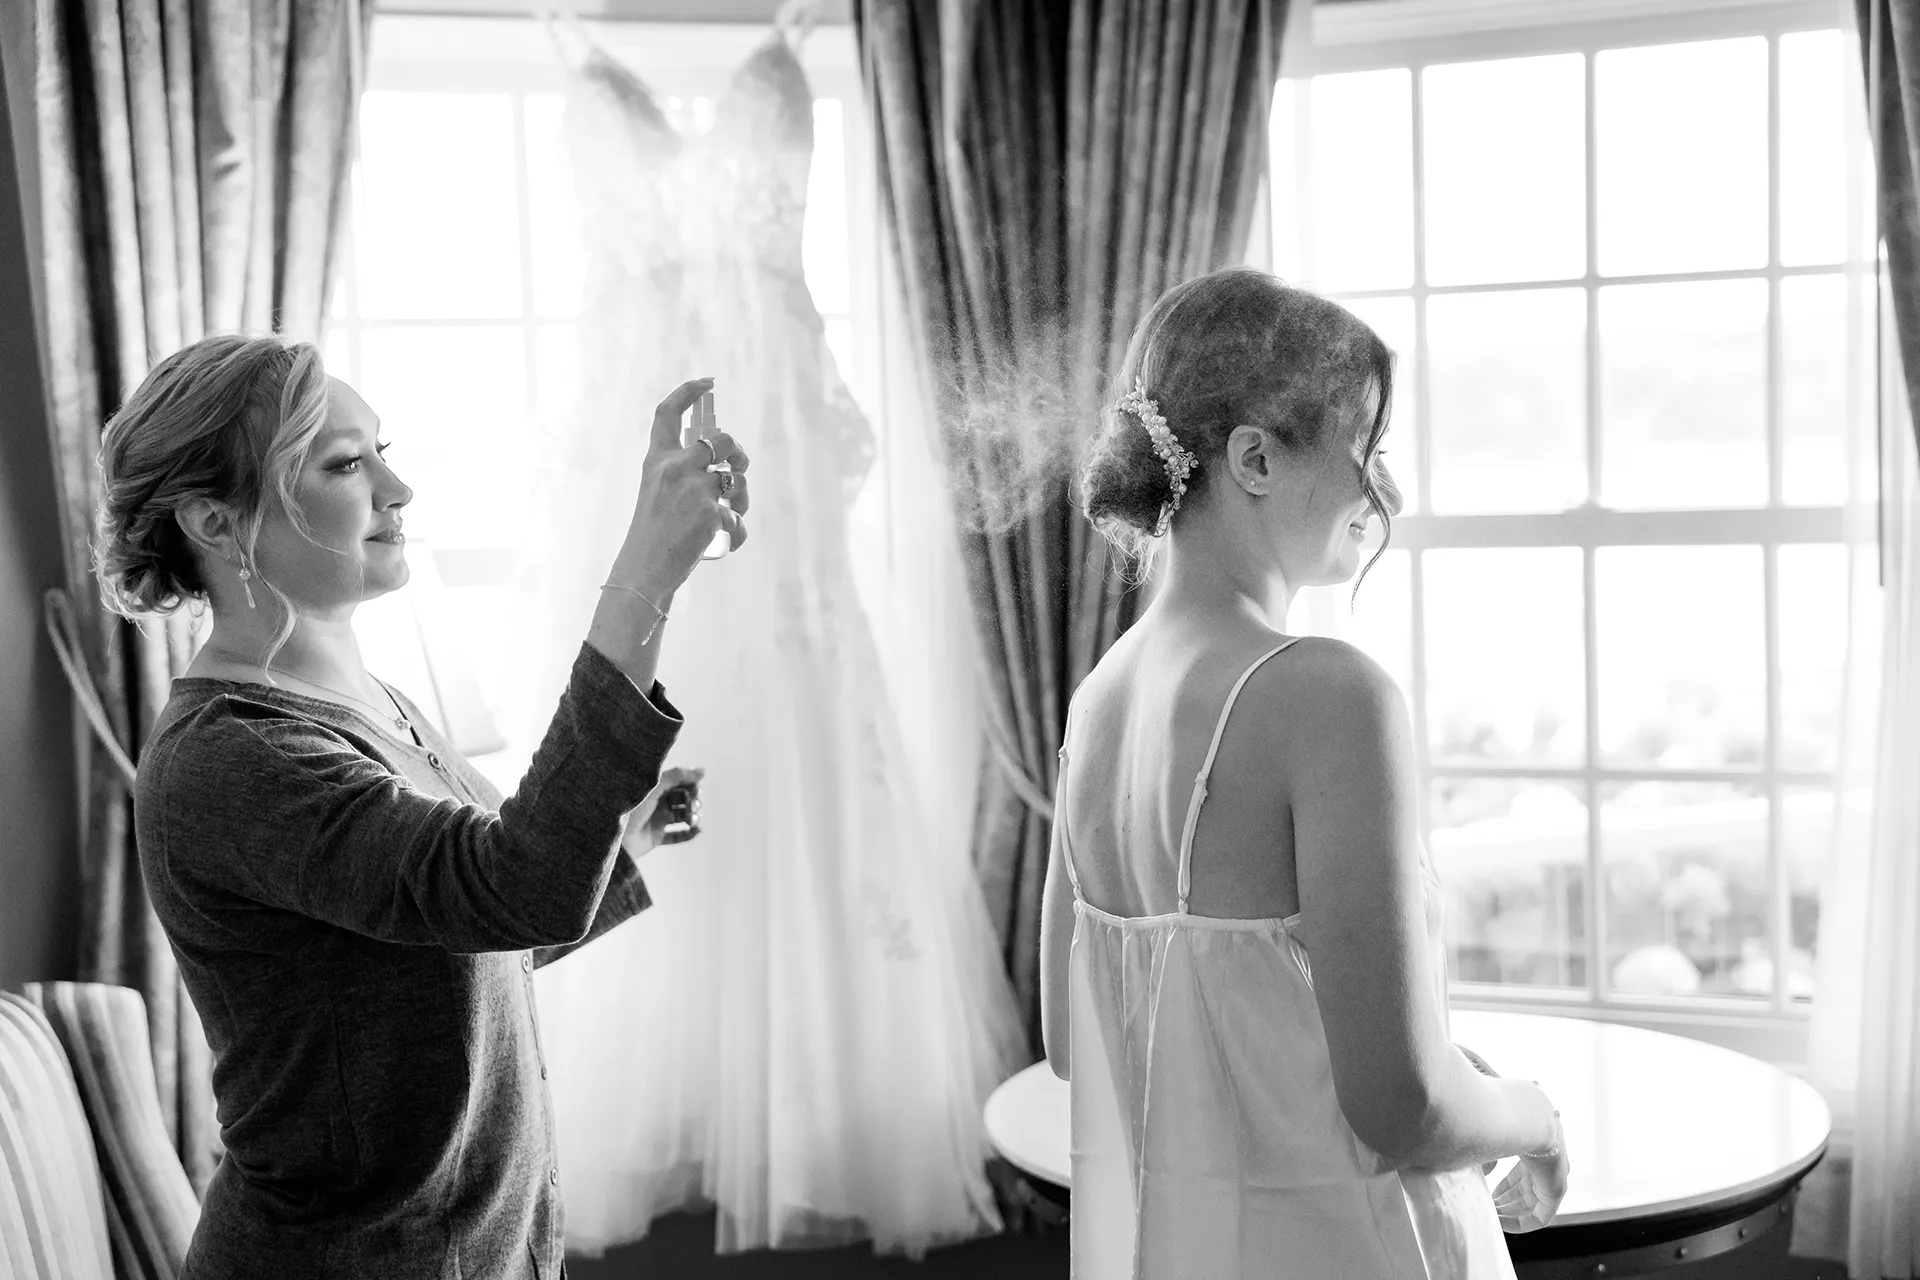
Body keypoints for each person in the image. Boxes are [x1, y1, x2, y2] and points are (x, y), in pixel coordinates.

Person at [96, 332, 748, 1279]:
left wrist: (624, 842)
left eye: (382, 453)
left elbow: (465, 931)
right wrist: (645, 573)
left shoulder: (376, 701)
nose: (398, 492)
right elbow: (517, 887)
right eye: (346, 463)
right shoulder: (232, 757)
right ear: (214, 520)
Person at [1038, 268, 1570, 1279]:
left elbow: (1075, 1040)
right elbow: (1403, 1108)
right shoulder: (1328, 696)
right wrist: (1532, 1116)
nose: (1386, 491)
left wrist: (1450, 1069)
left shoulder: (1097, 698)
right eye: (1367, 448)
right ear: (1254, 459)